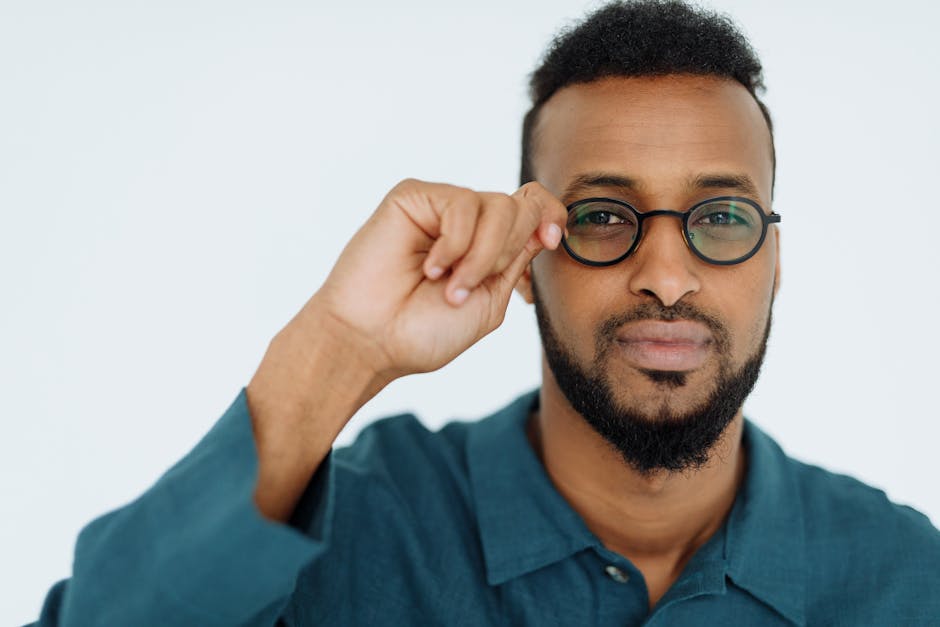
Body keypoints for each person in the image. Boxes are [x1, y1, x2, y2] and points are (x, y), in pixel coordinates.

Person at [31, 1, 940, 625]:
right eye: (602, 216)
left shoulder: (908, 575)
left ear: (774, 259)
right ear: (530, 254)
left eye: (722, 217)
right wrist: (339, 347)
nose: (667, 275)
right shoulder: (348, 537)